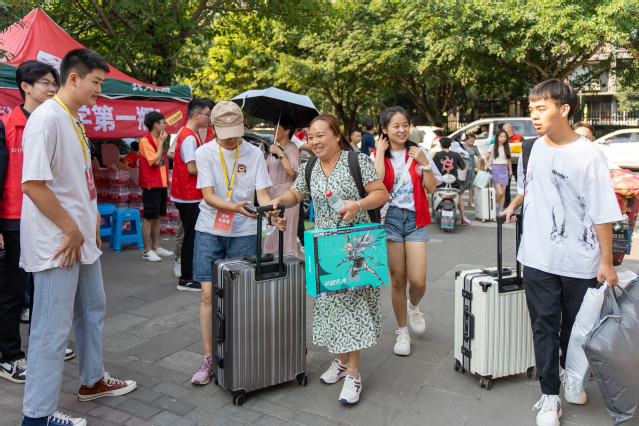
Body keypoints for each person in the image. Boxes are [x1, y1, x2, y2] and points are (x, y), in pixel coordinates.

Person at [19, 48, 137, 426]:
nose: (100, 90)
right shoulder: (47, 119)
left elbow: (77, 181)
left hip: (80, 239)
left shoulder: (74, 119)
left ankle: (92, 380)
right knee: (51, 330)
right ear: (74, 78)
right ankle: (37, 416)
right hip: (59, 243)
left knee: (92, 310)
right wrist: (71, 228)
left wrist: (90, 223)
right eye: (96, 82)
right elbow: (32, 185)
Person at [502, 79, 621, 426]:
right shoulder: (532, 149)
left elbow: (602, 212)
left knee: (575, 327)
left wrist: (606, 261)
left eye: (542, 109)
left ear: (564, 109)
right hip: (538, 256)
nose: (534, 116)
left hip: (580, 260)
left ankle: (571, 375)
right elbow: (528, 189)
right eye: (532, 109)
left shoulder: (590, 155)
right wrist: (514, 205)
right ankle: (549, 395)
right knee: (543, 325)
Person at [271, 114, 388, 405]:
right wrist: (279, 201)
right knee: (330, 306)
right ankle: (340, 361)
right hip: (323, 248)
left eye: (320, 135)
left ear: (337, 135)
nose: (314, 141)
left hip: (354, 248)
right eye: (311, 137)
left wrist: (357, 204)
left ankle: (354, 374)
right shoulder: (310, 166)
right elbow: (296, 193)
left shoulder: (357, 161)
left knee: (353, 307)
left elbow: (381, 193)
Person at [189, 101, 285, 386]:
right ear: (214, 128)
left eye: (236, 133)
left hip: (244, 232)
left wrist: (271, 212)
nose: (232, 139)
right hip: (210, 229)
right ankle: (209, 357)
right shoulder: (204, 153)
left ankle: (239, 353)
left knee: (240, 297)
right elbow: (208, 196)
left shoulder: (254, 152)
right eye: (226, 134)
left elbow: (262, 194)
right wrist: (235, 208)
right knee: (208, 296)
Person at [0, 61, 59, 386]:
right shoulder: (7, 126)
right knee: (12, 291)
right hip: (14, 219)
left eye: (54, 83)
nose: (52, 89)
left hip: (47, 218)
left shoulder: (54, 123)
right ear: (25, 86)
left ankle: (41, 346)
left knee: (44, 289)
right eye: (46, 83)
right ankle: (9, 356)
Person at [371, 106, 442, 357]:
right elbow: (377, 183)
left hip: (415, 220)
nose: (401, 130)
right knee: (398, 279)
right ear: (384, 129)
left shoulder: (419, 152)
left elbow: (431, 189)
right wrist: (380, 152)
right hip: (390, 219)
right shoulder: (376, 155)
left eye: (405, 125)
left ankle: (414, 306)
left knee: (418, 280)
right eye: (395, 126)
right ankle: (402, 331)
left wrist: (426, 164)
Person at [170, 99, 211, 291]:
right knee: (191, 237)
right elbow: (192, 168)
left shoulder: (190, 134)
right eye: (207, 114)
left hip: (189, 193)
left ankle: (190, 275)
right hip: (189, 194)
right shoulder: (188, 137)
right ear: (196, 115)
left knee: (192, 236)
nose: (209, 118)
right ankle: (186, 278)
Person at [138, 111, 173, 262]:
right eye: (163, 122)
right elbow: (155, 161)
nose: (165, 125)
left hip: (161, 183)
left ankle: (156, 246)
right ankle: (147, 250)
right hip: (151, 184)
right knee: (149, 217)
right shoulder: (145, 141)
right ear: (155, 125)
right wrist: (161, 144)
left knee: (158, 217)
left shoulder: (159, 138)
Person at [264, 120, 301, 256]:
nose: (274, 131)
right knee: (272, 229)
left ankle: (288, 259)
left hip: (287, 193)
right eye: (273, 128)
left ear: (287, 131)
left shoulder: (292, 149)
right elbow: (265, 168)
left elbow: (292, 171)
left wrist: (280, 153)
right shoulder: (275, 148)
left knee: (286, 229)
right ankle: (271, 257)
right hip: (272, 193)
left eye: (277, 128)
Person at [433, 137, 469, 226]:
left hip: (440, 184)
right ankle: (463, 218)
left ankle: (430, 215)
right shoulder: (456, 155)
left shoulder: (437, 155)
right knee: (459, 196)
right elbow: (463, 167)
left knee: (432, 193)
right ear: (450, 145)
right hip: (453, 184)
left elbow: (433, 167)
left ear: (440, 145)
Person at [487, 129, 512, 212]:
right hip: (495, 170)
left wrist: (510, 171)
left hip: (504, 170)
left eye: (504, 136)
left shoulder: (507, 147)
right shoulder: (492, 146)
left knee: (503, 193)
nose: (503, 138)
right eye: (501, 136)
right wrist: (488, 166)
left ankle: (500, 211)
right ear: (497, 137)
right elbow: (486, 158)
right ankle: (491, 206)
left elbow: (509, 160)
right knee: (500, 192)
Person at [458, 132, 483, 208]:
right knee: (462, 185)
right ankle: (457, 198)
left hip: (472, 168)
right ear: (466, 140)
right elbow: (458, 156)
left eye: (473, 141)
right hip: (464, 168)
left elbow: (479, 156)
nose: (472, 143)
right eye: (470, 141)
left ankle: (470, 201)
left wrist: (480, 160)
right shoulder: (462, 146)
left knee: (472, 185)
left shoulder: (474, 147)